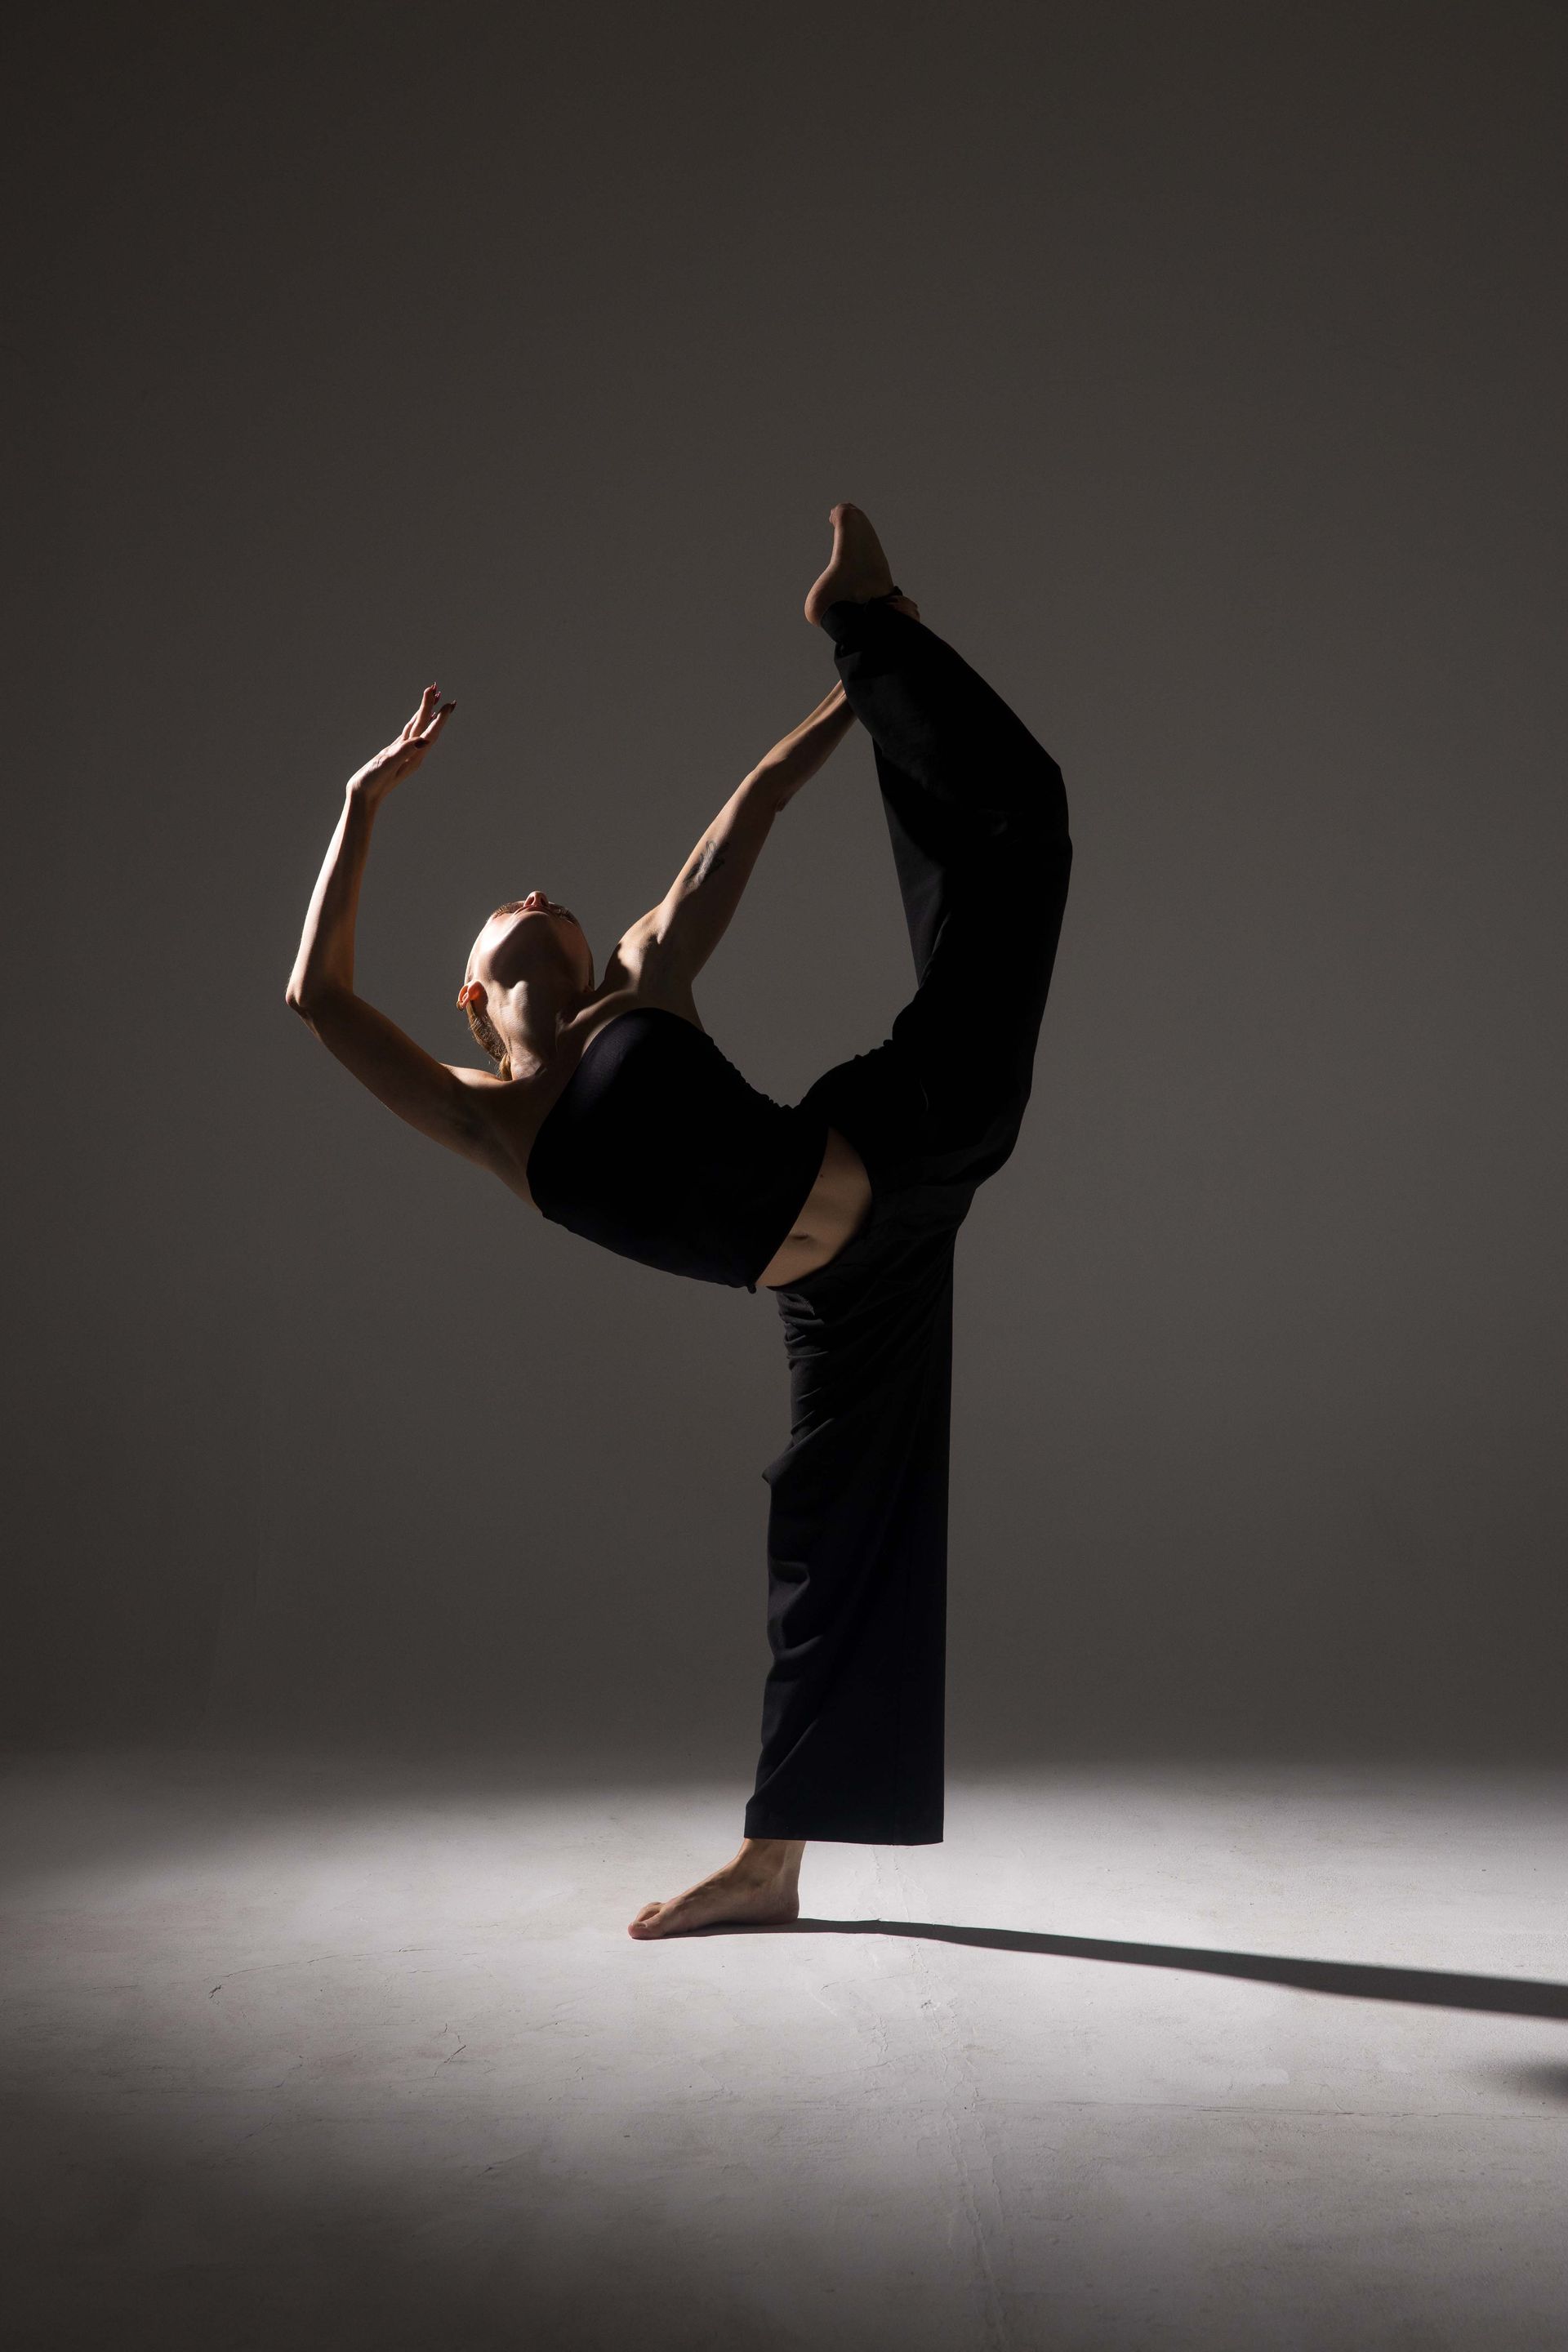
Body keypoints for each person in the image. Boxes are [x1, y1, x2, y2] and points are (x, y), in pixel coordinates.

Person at [286, 504, 1072, 1938]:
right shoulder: (485, 1117)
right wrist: (361, 804)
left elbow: (752, 806)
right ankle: (772, 1864)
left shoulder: (643, 974)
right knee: (826, 1551)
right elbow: (318, 1002)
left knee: (1021, 838)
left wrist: (865, 667)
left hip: (901, 1136)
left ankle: (873, 612)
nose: (538, 895)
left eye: (556, 899)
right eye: (509, 905)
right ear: (470, 992)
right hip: (846, 1297)